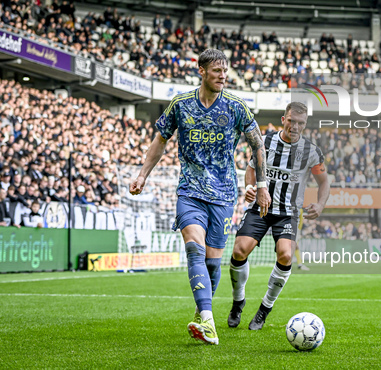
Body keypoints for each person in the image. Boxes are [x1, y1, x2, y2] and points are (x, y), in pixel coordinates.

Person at [129, 49, 271, 345]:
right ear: (202, 71)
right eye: (217, 71)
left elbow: (258, 145)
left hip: (223, 195)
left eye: (225, 71)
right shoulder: (181, 104)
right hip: (190, 191)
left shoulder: (236, 106)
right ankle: (208, 321)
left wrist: (261, 185)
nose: (223, 75)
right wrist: (143, 174)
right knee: (194, 248)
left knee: (212, 264)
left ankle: (200, 311)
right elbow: (160, 139)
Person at [227, 101, 329, 330]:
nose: (295, 126)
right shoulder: (265, 142)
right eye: (291, 121)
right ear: (284, 119)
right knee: (239, 251)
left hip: (288, 213)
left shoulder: (311, 152)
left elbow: (324, 182)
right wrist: (250, 187)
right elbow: (252, 169)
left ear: (305, 124)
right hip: (260, 208)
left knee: (285, 255)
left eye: (300, 123)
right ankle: (238, 302)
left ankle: (264, 309)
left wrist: (321, 205)